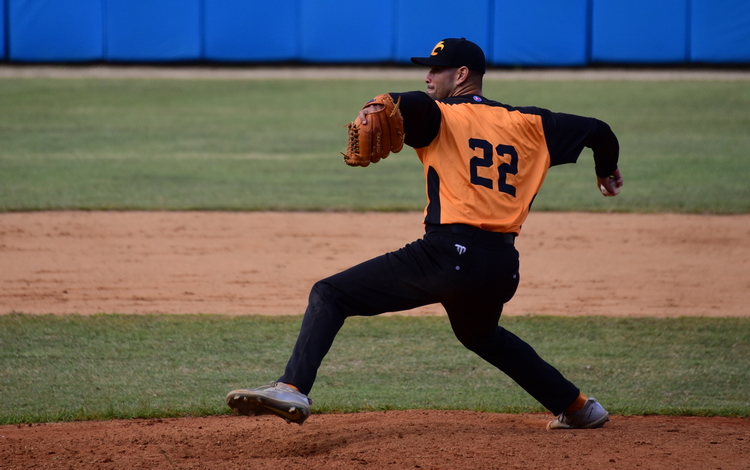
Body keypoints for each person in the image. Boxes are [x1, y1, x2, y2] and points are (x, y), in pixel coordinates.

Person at [226, 38, 622, 430]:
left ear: (462, 74)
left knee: (331, 293)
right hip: (501, 266)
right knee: (481, 336)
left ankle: (292, 386)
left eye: (437, 69)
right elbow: (599, 131)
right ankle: (578, 407)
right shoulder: (535, 123)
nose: (429, 76)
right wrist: (606, 170)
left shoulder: (441, 114)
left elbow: (411, 102)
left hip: (446, 255)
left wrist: (376, 104)